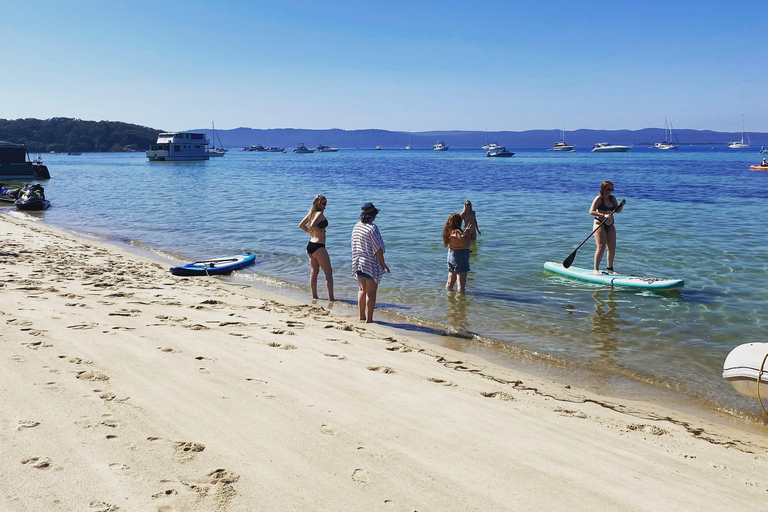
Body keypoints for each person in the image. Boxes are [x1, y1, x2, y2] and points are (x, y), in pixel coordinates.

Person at [351, 202, 389, 323]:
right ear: (372, 216)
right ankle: (369, 319)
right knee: (371, 292)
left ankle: (361, 316)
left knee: (362, 290)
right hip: (369, 263)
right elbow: (377, 249)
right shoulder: (373, 228)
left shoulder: (357, 226)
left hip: (357, 262)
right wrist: (383, 264)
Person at [298, 195, 334, 301]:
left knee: (314, 272)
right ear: (318, 204)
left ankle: (314, 296)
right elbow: (313, 225)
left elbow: (301, 225)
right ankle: (331, 298)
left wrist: (311, 233)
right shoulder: (319, 213)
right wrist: (320, 232)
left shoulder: (311, 213)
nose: (325, 206)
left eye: (326, 203)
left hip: (310, 245)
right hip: (319, 246)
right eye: (324, 204)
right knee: (328, 273)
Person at [589, 181, 626, 274]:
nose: (610, 191)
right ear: (603, 189)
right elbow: (591, 211)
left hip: (610, 225)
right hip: (599, 224)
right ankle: (596, 269)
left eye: (611, 189)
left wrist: (622, 205)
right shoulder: (598, 198)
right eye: (608, 189)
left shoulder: (612, 198)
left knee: (612, 247)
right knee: (601, 247)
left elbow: (617, 211)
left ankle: (610, 269)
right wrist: (603, 215)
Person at [443, 213, 472, 293]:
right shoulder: (457, 232)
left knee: (450, 282)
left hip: (451, 254)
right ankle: (460, 303)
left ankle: (450, 299)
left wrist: (464, 234)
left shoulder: (448, 232)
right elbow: (466, 244)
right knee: (461, 285)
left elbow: (457, 241)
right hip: (460, 256)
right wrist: (468, 234)